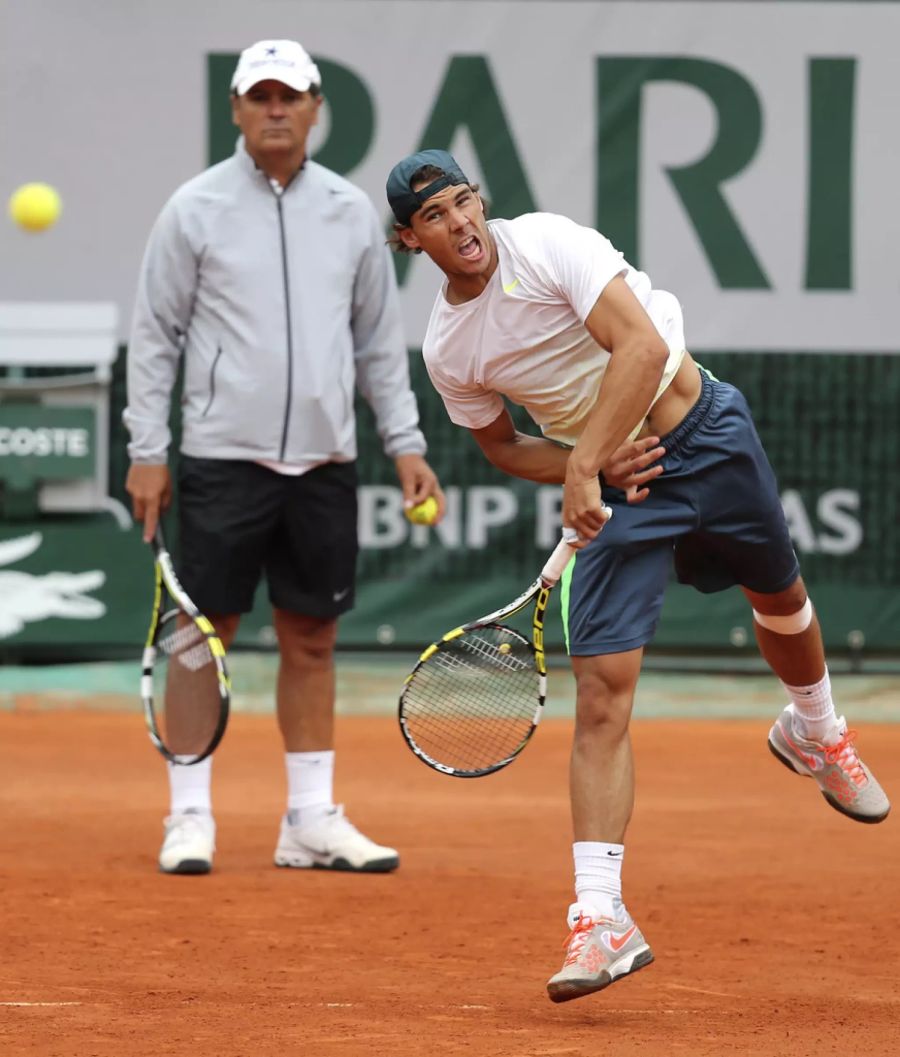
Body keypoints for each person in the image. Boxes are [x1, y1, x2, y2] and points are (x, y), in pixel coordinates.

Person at [384, 148, 890, 1003]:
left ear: (482, 202)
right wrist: (594, 468)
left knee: (782, 598)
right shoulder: (449, 348)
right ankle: (600, 916)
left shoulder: (545, 243)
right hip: (625, 484)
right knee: (603, 691)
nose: (461, 225)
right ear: (410, 239)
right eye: (436, 217)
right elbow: (504, 446)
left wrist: (583, 465)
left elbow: (641, 342)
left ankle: (816, 728)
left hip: (705, 431)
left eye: (465, 202)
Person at [123, 40, 444, 878]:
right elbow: (155, 338)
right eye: (259, 96)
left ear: (314, 108)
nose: (274, 109)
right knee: (203, 637)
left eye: (289, 96)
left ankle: (309, 818)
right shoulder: (191, 209)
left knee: (312, 639)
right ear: (235, 109)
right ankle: (188, 815)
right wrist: (148, 450)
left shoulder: (348, 215)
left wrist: (405, 443)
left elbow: (379, 345)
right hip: (222, 459)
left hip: (325, 463)